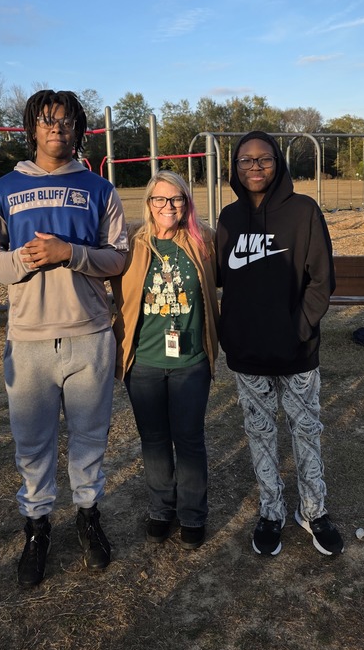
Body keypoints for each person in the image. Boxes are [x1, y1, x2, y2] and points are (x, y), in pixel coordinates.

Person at [0, 89, 128, 587]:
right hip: (30, 340)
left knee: (89, 438)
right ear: (31, 128)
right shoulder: (2, 190)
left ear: (78, 130)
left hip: (89, 335)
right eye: (46, 122)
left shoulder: (100, 189)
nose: (56, 130)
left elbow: (118, 258)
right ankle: (37, 528)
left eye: (65, 122)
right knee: (33, 443)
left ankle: (88, 517)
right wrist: (21, 260)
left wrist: (70, 253)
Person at [215, 131, 343, 557]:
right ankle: (271, 512)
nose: (255, 167)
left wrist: (299, 330)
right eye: (245, 160)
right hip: (248, 354)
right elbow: (219, 279)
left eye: (263, 159)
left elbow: (322, 281)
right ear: (234, 167)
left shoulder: (303, 211)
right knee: (259, 432)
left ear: (278, 163)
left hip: (297, 352)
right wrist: (229, 331)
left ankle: (314, 510)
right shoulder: (229, 218)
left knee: (306, 430)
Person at [112, 171, 219, 550]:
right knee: (154, 440)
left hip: (191, 360)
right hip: (144, 362)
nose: (168, 206)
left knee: (189, 439)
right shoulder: (131, 244)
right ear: (149, 203)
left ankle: (192, 514)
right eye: (160, 199)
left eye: (176, 199)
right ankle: (161, 508)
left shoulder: (203, 240)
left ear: (187, 202)